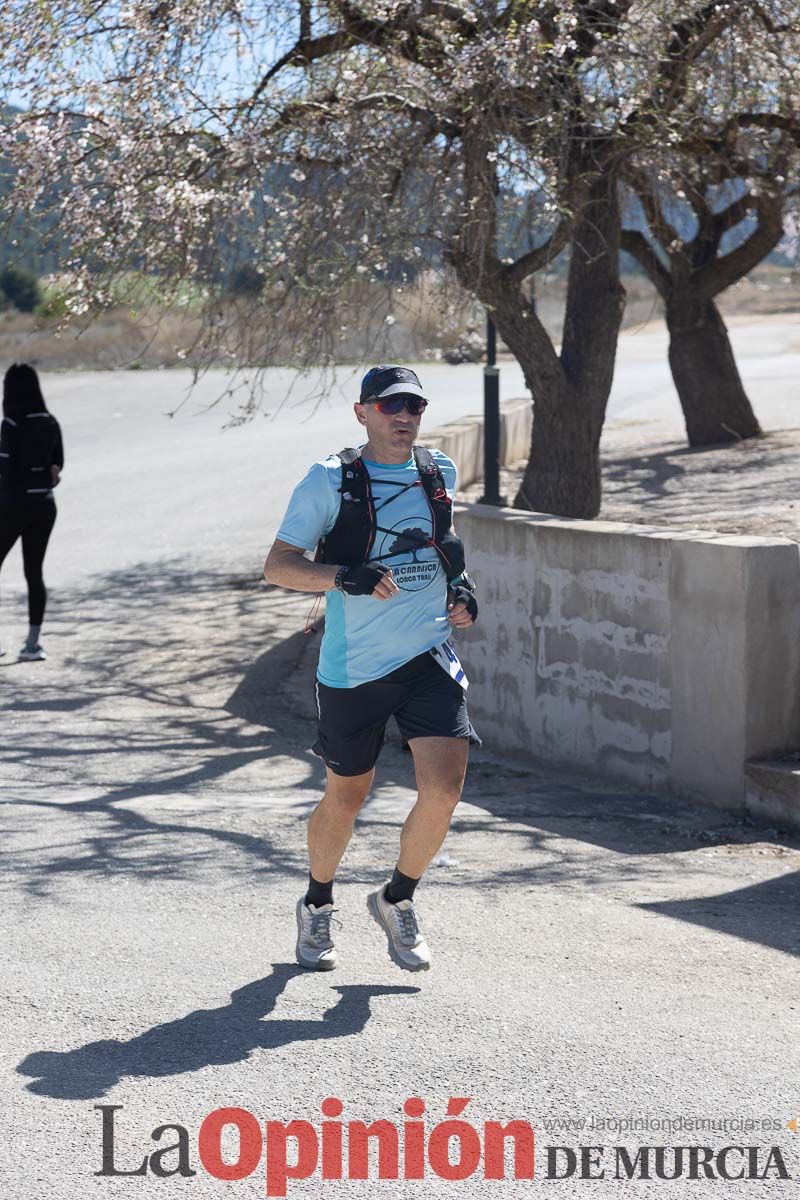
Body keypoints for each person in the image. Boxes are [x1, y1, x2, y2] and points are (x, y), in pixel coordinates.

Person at [264, 364, 479, 974]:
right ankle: (316, 902)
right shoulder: (329, 481)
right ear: (363, 413)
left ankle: (397, 898)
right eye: (390, 407)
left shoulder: (438, 472)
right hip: (354, 667)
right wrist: (342, 578)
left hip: (427, 656)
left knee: (443, 789)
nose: (404, 417)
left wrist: (462, 590)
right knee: (348, 794)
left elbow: (444, 549)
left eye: (413, 406)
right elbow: (278, 566)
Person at [0, 363, 63, 661]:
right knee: (34, 572)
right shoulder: (50, 422)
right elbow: (57, 466)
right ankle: (32, 644)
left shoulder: (11, 424)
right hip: (45, 504)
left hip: (15, 504)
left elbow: (5, 470)